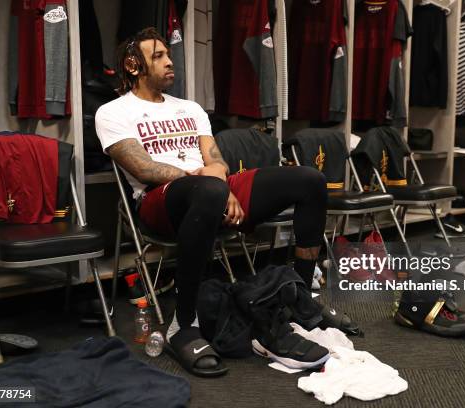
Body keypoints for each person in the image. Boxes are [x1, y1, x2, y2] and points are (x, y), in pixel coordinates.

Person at [95, 27, 358, 377]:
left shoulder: (189, 109)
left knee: (309, 180)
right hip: (160, 203)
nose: (170, 60)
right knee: (208, 190)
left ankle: (300, 299)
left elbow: (216, 160)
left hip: (211, 188)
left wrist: (222, 186)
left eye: (167, 54)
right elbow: (143, 167)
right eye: (157, 56)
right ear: (132, 65)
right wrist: (212, 185)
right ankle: (183, 324)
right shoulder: (113, 112)